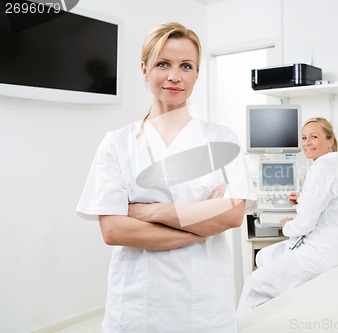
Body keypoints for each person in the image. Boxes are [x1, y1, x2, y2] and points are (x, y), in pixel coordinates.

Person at [76, 22, 256, 333]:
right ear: (144, 69)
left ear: (196, 75)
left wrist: (149, 211)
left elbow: (233, 215)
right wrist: (200, 227)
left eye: (186, 66)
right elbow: (114, 229)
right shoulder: (117, 143)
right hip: (138, 305)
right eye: (163, 64)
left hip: (204, 306)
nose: (175, 76)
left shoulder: (222, 140)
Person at [237, 117, 338, 316]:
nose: (307, 143)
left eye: (314, 137)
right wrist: (303, 198)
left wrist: (287, 225)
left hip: (323, 249)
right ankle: (277, 311)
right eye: (303, 137)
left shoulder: (321, 168)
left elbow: (304, 225)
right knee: (263, 256)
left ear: (330, 141)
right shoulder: (335, 164)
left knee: (253, 285)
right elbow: (328, 200)